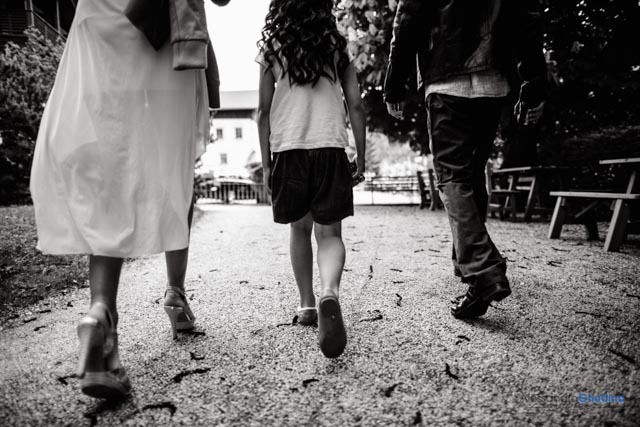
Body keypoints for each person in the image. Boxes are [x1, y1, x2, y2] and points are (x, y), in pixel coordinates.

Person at [30, 0, 225, 399]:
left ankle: (101, 312)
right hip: (159, 29)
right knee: (173, 166)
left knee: (108, 165)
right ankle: (173, 292)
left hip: (98, 19)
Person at [384, 0, 546, 318]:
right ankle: (473, 276)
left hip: (446, 80)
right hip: (493, 80)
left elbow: (408, 18)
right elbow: (527, 19)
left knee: (453, 177)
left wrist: (394, 83)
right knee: (470, 176)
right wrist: (534, 84)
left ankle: (484, 271)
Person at [256, 0, 366, 358]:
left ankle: (306, 305)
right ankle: (329, 292)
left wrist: (268, 162)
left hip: (289, 149)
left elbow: (261, 113)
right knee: (330, 233)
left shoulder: (272, 47)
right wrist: (360, 155)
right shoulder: (337, 46)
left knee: (299, 229)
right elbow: (356, 104)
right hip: (330, 147)